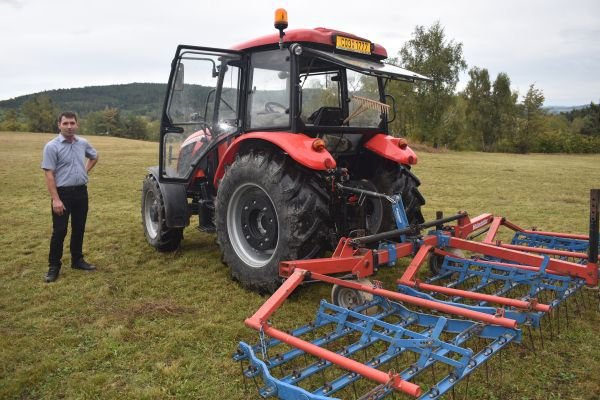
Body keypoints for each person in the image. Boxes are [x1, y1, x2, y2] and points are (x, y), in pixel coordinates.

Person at [41, 111, 99, 282]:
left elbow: (95, 156)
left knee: (79, 228)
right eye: (65, 123)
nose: (69, 127)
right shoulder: (52, 146)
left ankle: (77, 260)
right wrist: (56, 199)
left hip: (81, 192)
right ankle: (53, 266)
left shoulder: (82, 143)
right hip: (62, 194)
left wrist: (84, 171)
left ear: (77, 124)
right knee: (60, 231)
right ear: (59, 125)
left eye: (72, 123)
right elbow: (49, 174)